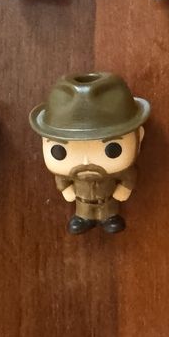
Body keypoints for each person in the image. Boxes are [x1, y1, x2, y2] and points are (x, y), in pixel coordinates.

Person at [30, 72, 149, 235]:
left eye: (113, 149)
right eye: (60, 151)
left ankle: (109, 218)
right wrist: (66, 190)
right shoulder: (67, 174)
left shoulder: (120, 171)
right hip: (82, 202)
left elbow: (129, 176)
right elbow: (61, 180)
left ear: (139, 136)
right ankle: (83, 218)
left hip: (107, 201)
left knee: (108, 212)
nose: (86, 161)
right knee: (83, 213)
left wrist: (124, 189)